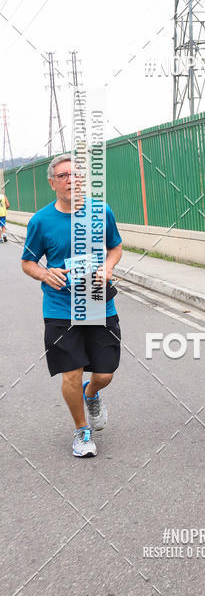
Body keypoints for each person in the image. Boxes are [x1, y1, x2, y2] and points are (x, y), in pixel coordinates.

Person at [21, 154, 123, 458]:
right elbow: (27, 262)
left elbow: (115, 247)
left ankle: (91, 395)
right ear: (52, 182)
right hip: (59, 308)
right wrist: (44, 273)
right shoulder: (41, 221)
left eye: (76, 175)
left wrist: (108, 267)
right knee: (71, 373)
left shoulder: (101, 211)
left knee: (105, 373)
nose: (70, 180)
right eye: (63, 176)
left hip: (98, 305)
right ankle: (81, 431)